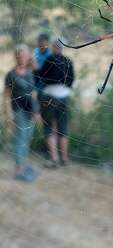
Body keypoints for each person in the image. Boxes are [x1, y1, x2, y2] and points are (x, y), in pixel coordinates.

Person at [36, 38, 74, 168]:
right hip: (64, 96)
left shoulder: (49, 60)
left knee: (48, 127)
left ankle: (54, 159)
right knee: (63, 128)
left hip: (50, 95)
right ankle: (64, 158)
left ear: (53, 47)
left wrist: (35, 69)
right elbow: (71, 80)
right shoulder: (68, 61)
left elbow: (40, 77)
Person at [3, 45, 39, 182]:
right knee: (20, 139)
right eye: (19, 55)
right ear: (15, 57)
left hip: (31, 110)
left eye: (24, 55)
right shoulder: (11, 75)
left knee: (27, 138)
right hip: (18, 110)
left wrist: (37, 111)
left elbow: (34, 92)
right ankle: (18, 170)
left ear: (27, 56)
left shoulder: (30, 72)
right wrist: (8, 115)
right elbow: (6, 96)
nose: (21, 58)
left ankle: (24, 166)